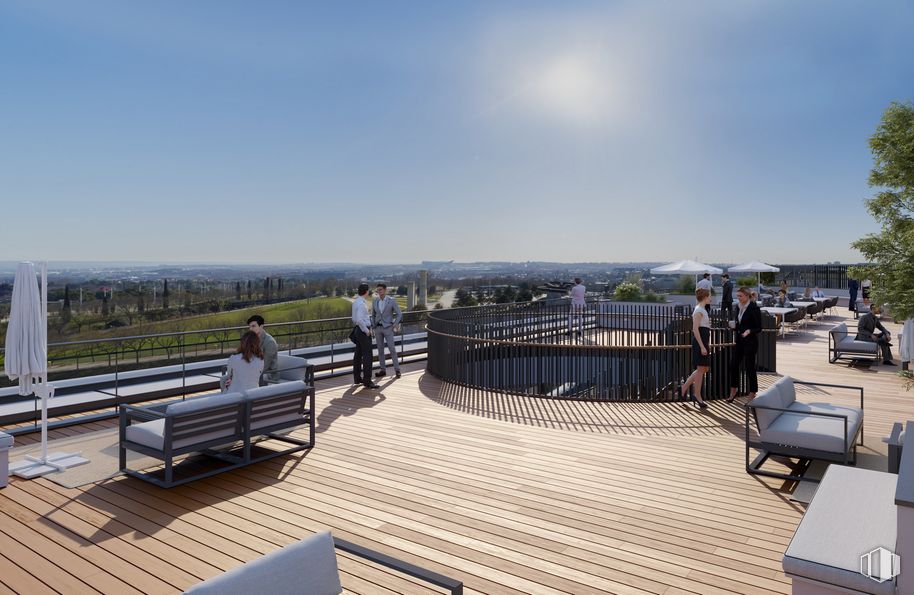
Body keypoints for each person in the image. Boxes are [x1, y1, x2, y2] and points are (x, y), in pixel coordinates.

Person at [727, 286, 762, 402]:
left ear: (747, 296)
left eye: (740, 296)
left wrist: (749, 331)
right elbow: (739, 324)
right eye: (737, 296)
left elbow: (759, 327)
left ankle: (753, 391)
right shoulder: (738, 307)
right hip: (740, 341)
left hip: (751, 342)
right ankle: (733, 389)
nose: (738, 298)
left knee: (749, 367)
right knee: (733, 365)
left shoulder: (754, 308)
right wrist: (734, 326)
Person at [680, 288, 712, 409]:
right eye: (709, 296)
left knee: (704, 369)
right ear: (705, 297)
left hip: (703, 341)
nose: (711, 298)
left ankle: (684, 387)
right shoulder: (699, 310)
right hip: (700, 342)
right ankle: (697, 395)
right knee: (701, 369)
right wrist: (702, 346)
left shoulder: (702, 309)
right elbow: (695, 329)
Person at [351, 283, 380, 389]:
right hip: (363, 331)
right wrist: (367, 331)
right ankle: (367, 381)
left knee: (358, 355)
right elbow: (359, 319)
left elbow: (354, 319)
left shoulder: (356, 302)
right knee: (368, 356)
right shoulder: (362, 304)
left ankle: (357, 378)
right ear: (366, 292)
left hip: (357, 331)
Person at [372, 283, 403, 379]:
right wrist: (373, 325)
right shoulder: (375, 301)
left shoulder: (391, 300)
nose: (379, 292)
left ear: (385, 290)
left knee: (392, 349)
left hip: (388, 328)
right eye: (377, 290)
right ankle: (382, 370)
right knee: (380, 350)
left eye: (380, 290)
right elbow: (373, 315)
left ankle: (397, 370)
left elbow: (399, 314)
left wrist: (395, 324)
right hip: (378, 328)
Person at [247, 315, 278, 384]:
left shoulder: (270, 342)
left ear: (261, 326)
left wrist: (250, 373)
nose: (250, 329)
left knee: (247, 378)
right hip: (256, 370)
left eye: (253, 326)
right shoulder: (252, 339)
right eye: (250, 326)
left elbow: (265, 366)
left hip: (269, 374)